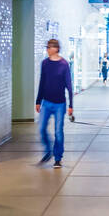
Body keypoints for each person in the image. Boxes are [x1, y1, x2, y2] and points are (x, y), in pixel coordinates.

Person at [35, 38, 73, 168]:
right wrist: (38, 101)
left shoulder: (64, 64)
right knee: (41, 129)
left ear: (56, 48)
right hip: (46, 102)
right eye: (47, 47)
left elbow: (69, 85)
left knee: (58, 131)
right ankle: (48, 151)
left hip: (60, 104)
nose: (47, 50)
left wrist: (71, 105)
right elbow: (42, 82)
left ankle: (58, 158)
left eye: (49, 47)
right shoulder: (45, 63)